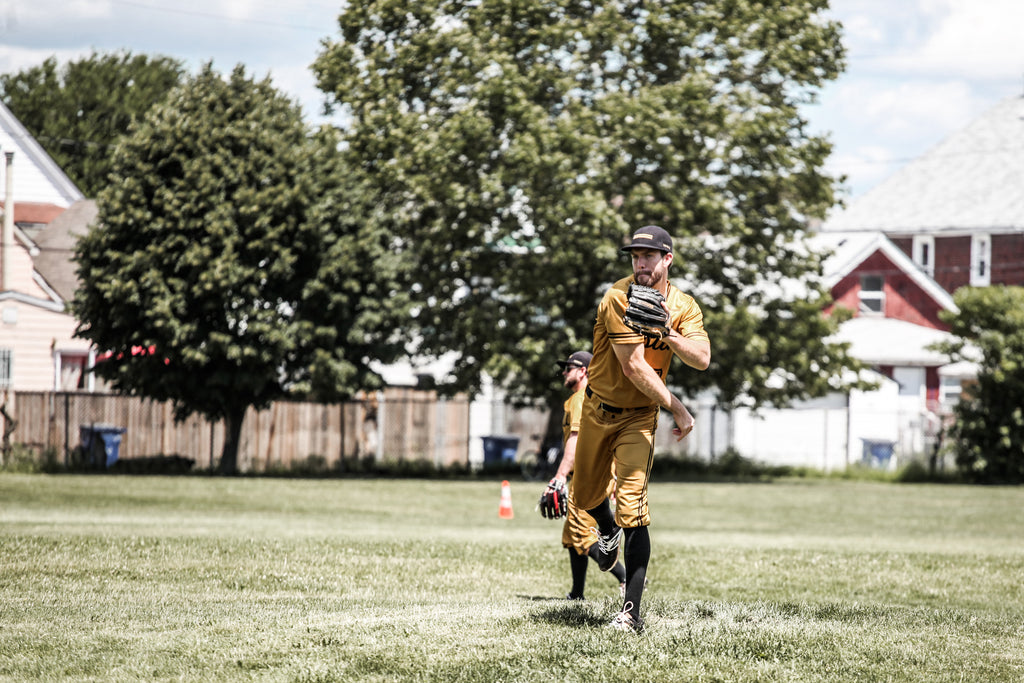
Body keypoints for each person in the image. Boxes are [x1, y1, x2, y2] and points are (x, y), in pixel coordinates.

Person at [572, 225, 711, 634]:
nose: (640, 263)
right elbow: (633, 366)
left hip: (639, 418)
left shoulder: (684, 305)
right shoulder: (618, 296)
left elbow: (701, 358)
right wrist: (679, 408)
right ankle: (607, 526)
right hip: (597, 410)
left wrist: (668, 332)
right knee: (585, 497)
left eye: (649, 256)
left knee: (634, 510)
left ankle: (630, 615)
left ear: (668, 260)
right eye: (635, 256)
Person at [540, 350, 626, 600]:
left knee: (582, 533)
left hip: (588, 475)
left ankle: (626, 577)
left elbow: (576, 442)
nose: (564, 372)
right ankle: (577, 594)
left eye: (569, 367)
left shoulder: (581, 399)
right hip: (590, 473)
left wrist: (559, 477)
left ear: (583, 371)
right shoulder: (580, 398)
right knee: (571, 536)